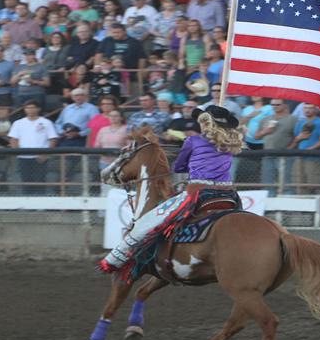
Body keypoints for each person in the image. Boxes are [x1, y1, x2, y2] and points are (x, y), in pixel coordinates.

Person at [99, 103, 243, 273]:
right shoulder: (232, 143)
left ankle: (115, 258)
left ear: (206, 123)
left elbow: (179, 167)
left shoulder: (193, 141)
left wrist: (192, 166)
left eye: (202, 122)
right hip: (228, 193)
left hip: (199, 191)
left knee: (150, 220)